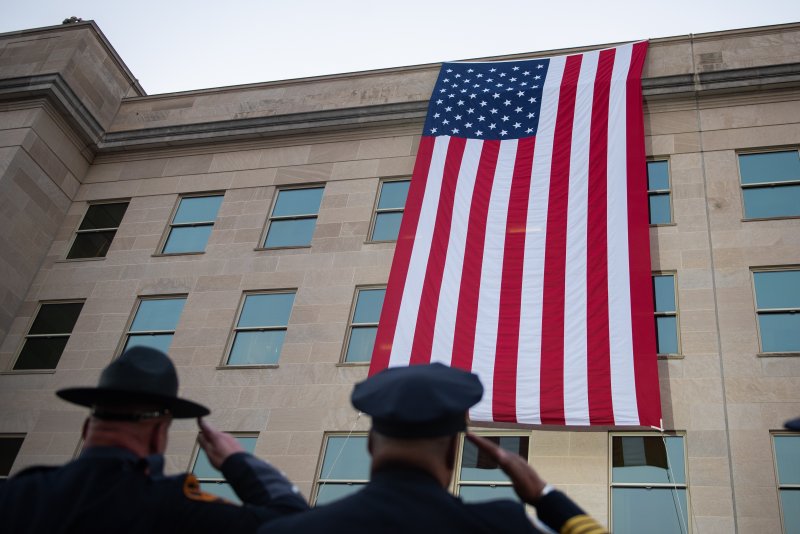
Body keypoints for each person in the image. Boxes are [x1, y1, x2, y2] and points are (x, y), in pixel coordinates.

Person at [263, 363, 607, 534]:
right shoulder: (503, 525)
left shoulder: (290, 530)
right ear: (453, 451)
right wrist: (544, 496)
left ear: (370, 444)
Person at [0, 346, 308, 533]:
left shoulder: (17, 495)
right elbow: (295, 524)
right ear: (159, 434)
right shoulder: (176, 507)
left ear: (86, 429)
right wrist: (237, 460)